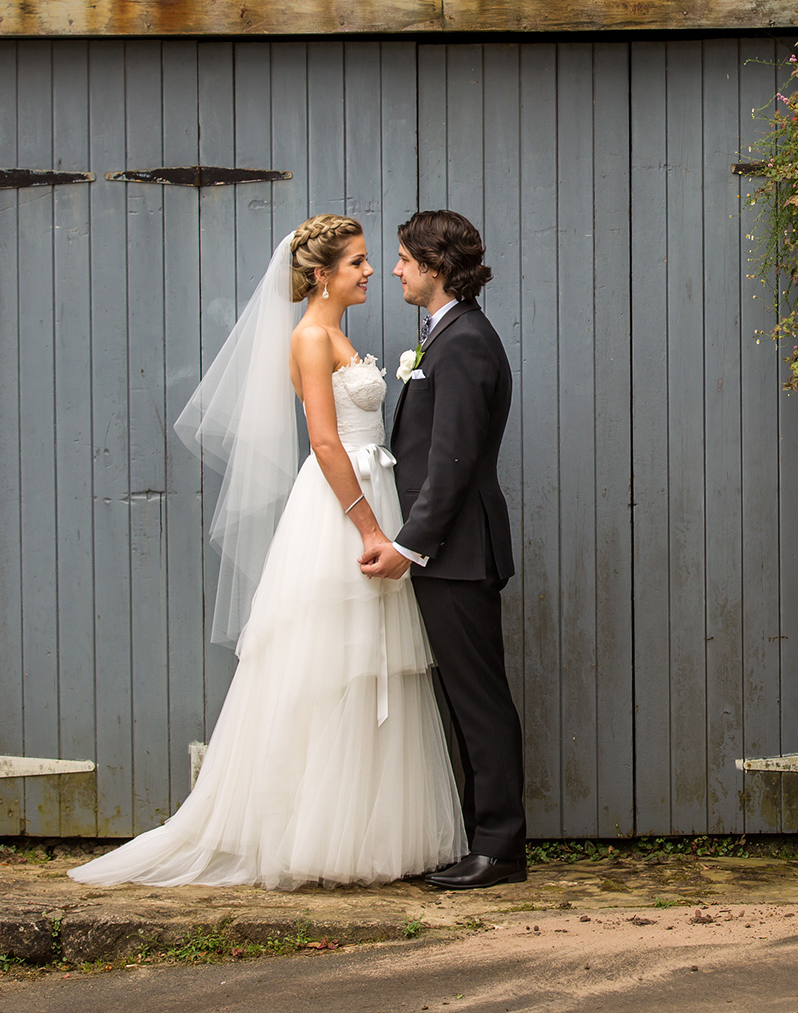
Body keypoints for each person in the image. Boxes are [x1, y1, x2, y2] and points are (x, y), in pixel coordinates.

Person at [69, 214, 465, 890]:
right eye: (358, 262)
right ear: (321, 273)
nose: (371, 271)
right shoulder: (311, 337)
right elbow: (326, 441)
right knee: (329, 664)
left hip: (372, 494)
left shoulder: (340, 332)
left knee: (370, 664)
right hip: (343, 510)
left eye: (372, 261)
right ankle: (309, 833)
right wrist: (370, 528)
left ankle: (364, 831)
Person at [358, 210, 527, 889]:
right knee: (463, 699)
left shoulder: (463, 343)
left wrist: (408, 545)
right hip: (447, 553)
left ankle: (501, 847)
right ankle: (483, 840)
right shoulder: (445, 335)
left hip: (455, 553)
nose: (394, 268)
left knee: (479, 700)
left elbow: (451, 463)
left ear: (433, 263)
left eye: (402, 257)